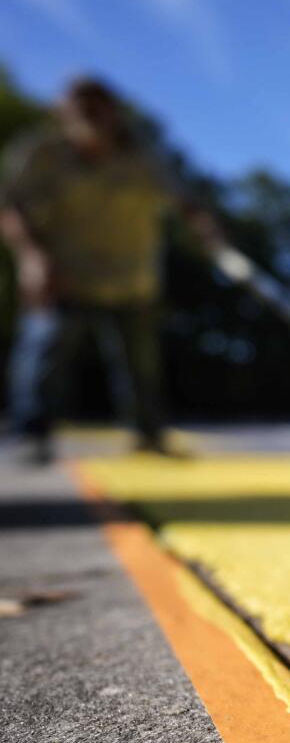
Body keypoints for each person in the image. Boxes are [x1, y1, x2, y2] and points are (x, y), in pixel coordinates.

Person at [0, 76, 221, 463]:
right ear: (62, 114)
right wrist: (33, 258)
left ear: (113, 113)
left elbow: (187, 202)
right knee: (43, 349)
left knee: (141, 365)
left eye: (97, 106)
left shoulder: (143, 161)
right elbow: (11, 208)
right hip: (65, 278)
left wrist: (207, 231)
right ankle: (31, 434)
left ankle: (148, 434)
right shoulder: (42, 156)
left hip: (131, 280)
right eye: (78, 107)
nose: (88, 115)